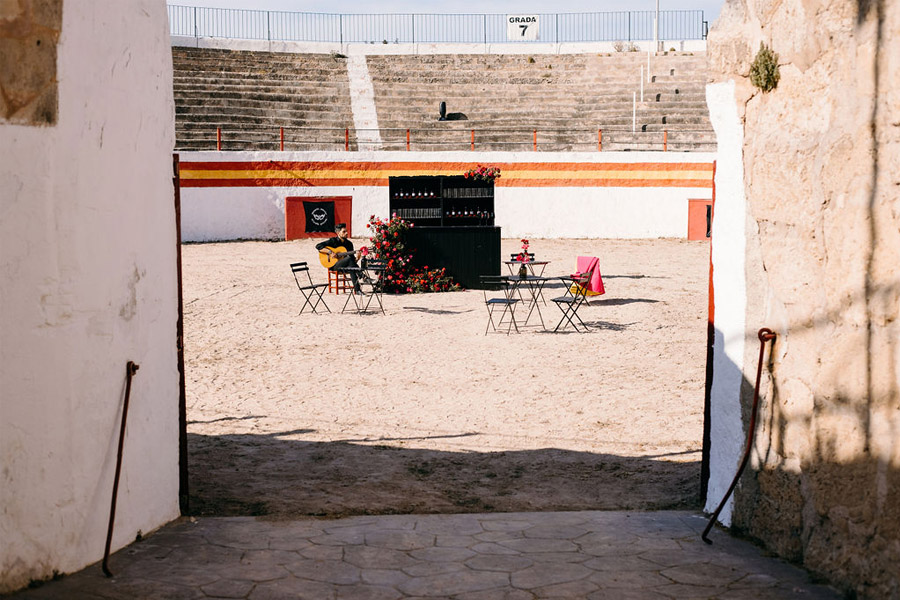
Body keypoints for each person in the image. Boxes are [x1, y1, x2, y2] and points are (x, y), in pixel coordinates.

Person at [315, 223, 367, 293]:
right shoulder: (333, 241)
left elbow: (352, 261)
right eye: (344, 231)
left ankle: (357, 290)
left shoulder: (349, 244)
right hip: (334, 266)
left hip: (346, 266)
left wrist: (357, 257)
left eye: (346, 231)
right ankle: (363, 276)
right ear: (338, 233)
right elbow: (318, 246)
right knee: (349, 260)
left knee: (351, 267)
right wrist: (330, 252)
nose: (346, 233)